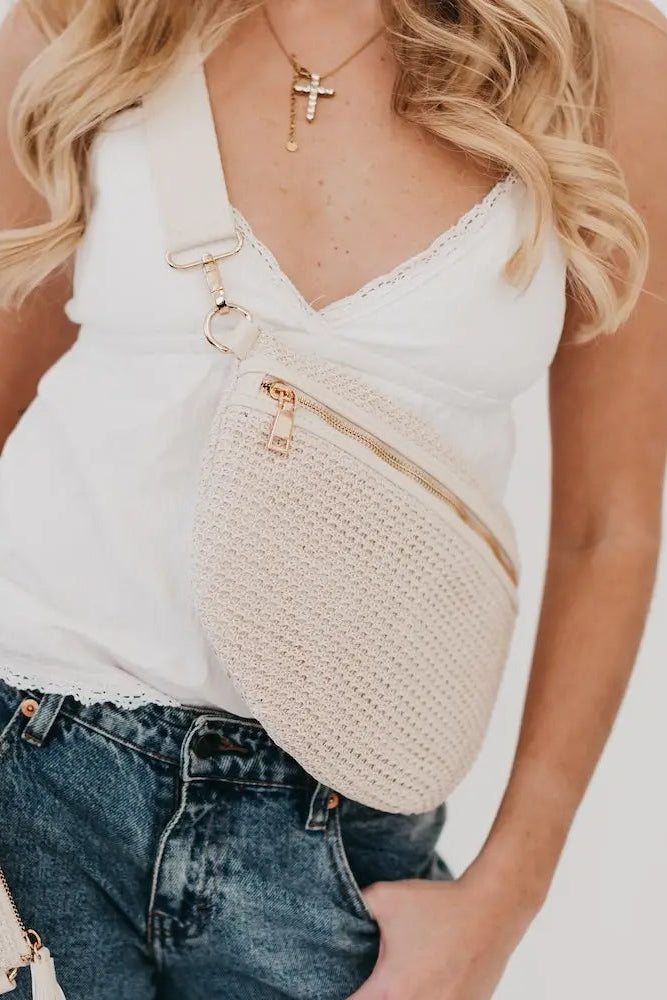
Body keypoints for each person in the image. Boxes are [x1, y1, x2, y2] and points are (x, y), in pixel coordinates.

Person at [0, 1, 665, 998]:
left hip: (343, 842)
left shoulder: (602, 55)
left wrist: (505, 896)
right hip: (32, 775)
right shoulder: (88, 21)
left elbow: (605, 524)